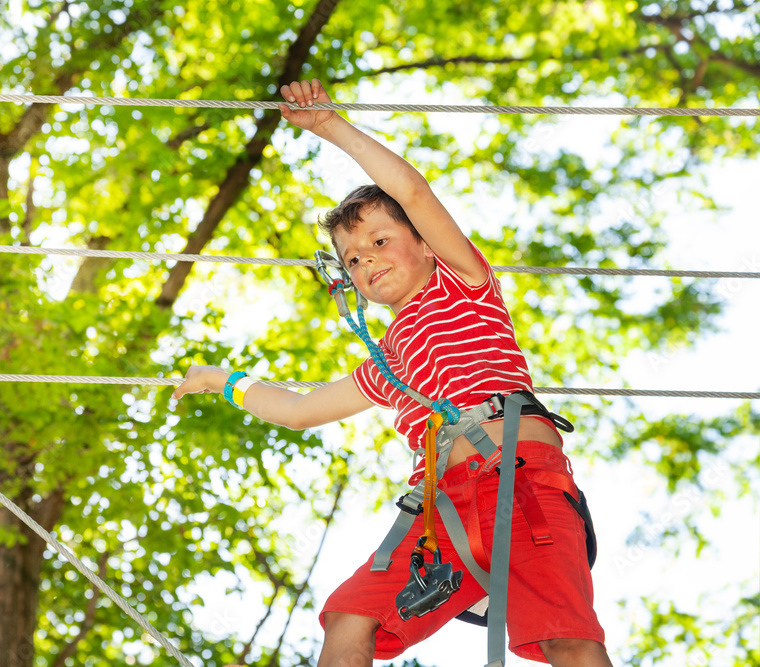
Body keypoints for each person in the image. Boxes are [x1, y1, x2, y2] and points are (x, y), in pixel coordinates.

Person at [174, 79, 612, 667]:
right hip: (441, 512)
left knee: (565, 639)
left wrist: (332, 127)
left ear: (427, 247)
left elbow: (411, 190)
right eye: (352, 258)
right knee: (349, 619)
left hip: (519, 480)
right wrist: (223, 381)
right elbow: (301, 410)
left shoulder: (463, 283)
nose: (367, 259)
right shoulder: (389, 361)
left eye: (380, 240)